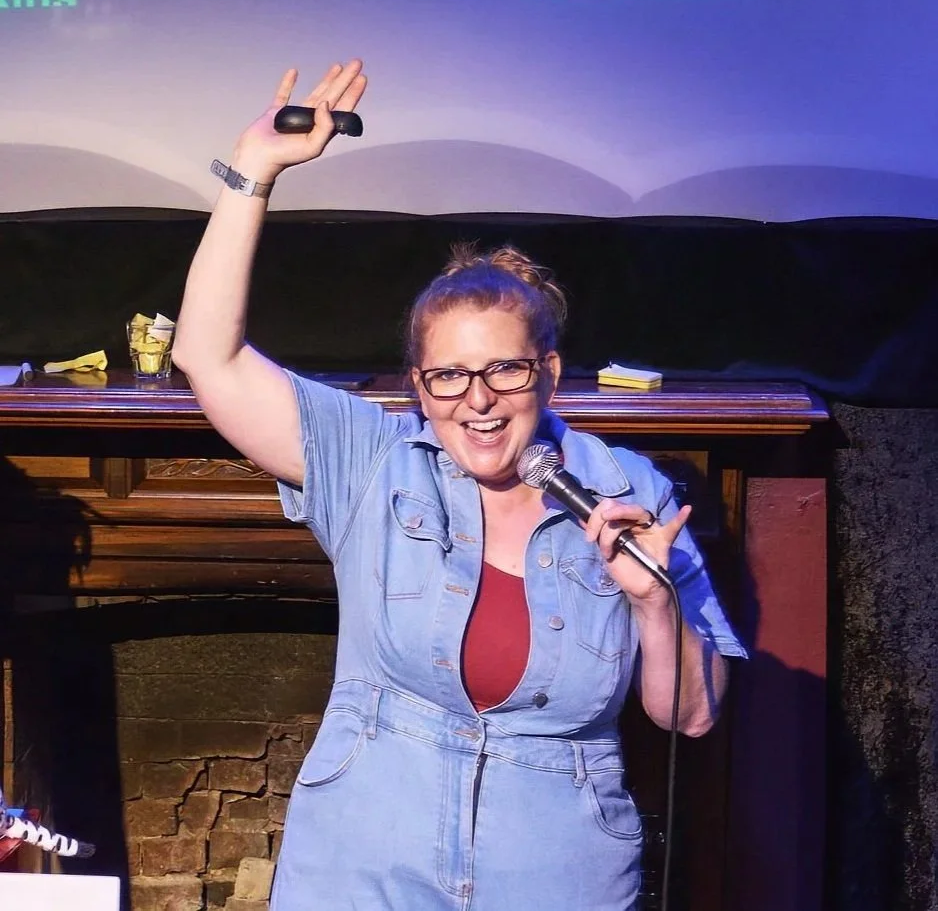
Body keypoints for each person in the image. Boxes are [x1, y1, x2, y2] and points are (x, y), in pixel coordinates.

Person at [172, 59, 747, 911]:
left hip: (554, 874)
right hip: (363, 865)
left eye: (504, 370)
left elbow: (688, 716)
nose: (476, 401)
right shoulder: (374, 462)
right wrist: (253, 169)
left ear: (549, 372)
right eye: (446, 378)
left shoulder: (630, 494)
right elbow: (206, 357)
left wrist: (652, 602)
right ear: (418, 386)